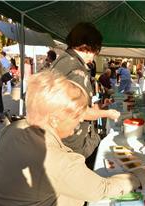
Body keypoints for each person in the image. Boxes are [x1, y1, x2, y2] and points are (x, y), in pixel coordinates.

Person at [0, 71, 145, 206]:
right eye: (76, 116)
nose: (79, 123)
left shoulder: (13, 129)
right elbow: (102, 189)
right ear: (54, 119)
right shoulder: (55, 160)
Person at [50, 22, 120, 164]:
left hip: (58, 137)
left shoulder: (62, 60)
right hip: (74, 143)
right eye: (96, 51)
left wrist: (99, 107)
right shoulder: (77, 70)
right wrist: (108, 113)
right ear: (89, 48)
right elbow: (79, 112)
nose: (94, 57)